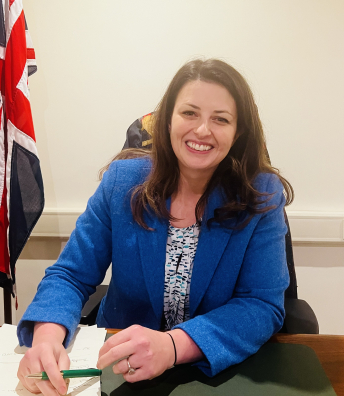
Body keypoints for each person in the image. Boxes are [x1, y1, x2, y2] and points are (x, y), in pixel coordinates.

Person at [17, 58, 293, 396]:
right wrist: (46, 337)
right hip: (121, 370)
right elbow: (70, 275)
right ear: (166, 120)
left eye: (220, 119)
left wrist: (173, 346)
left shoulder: (261, 194)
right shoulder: (122, 183)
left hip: (212, 373)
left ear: (238, 133)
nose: (202, 130)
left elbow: (262, 305)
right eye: (189, 113)